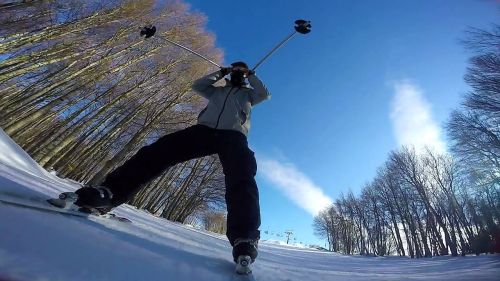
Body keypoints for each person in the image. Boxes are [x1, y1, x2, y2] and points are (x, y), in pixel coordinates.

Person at [58, 61, 271, 264]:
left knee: (242, 174)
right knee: (158, 152)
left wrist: (251, 75)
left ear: (244, 75)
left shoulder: (249, 95)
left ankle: (244, 236)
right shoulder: (217, 90)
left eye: (239, 71)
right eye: (234, 69)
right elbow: (198, 85)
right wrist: (221, 72)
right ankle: (109, 193)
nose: (236, 72)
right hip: (203, 131)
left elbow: (265, 93)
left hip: (233, 135)